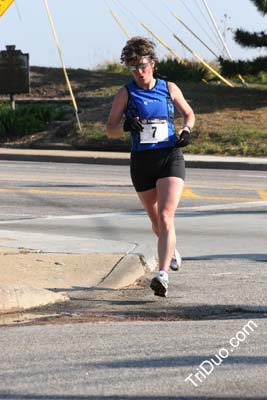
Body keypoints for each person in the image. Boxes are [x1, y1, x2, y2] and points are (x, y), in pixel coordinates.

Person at [106, 36, 195, 297]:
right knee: (156, 219)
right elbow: (109, 129)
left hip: (170, 156)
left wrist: (186, 130)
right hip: (142, 161)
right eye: (132, 68)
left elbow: (188, 113)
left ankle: (162, 274)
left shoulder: (168, 87)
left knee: (167, 216)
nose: (138, 72)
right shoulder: (126, 92)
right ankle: (171, 248)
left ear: (152, 63)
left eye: (142, 66)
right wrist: (124, 126)